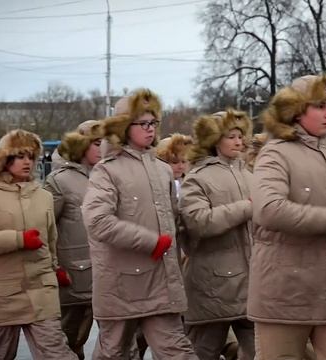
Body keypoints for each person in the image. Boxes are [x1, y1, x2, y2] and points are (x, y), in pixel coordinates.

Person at [250, 74, 326, 359]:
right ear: (296, 109)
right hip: (285, 290)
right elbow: (268, 209)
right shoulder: (275, 153)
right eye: (319, 105)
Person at [81, 88, 198, 360]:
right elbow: (97, 221)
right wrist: (150, 242)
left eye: (154, 123)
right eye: (142, 123)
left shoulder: (163, 169)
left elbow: (174, 220)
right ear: (124, 127)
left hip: (160, 282)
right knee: (113, 352)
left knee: (177, 350)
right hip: (120, 284)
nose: (150, 129)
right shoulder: (107, 170)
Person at [179, 109, 255, 359]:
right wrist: (246, 207)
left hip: (251, 284)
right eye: (230, 136)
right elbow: (199, 222)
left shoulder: (249, 174)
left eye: (240, 135)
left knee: (263, 352)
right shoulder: (197, 178)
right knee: (201, 353)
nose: (238, 141)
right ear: (214, 139)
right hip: (212, 287)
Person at [0, 129, 78, 360]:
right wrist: (19, 239)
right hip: (3, 293)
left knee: (57, 352)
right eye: (20, 155)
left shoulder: (43, 196)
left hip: (41, 289)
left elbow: (51, 239)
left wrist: (56, 268)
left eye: (31, 156)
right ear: (5, 158)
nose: (27, 162)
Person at [43, 120, 104, 359]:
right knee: (70, 341)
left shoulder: (110, 175)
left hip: (109, 275)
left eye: (106, 143)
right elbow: (46, 227)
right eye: (97, 143)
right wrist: (55, 266)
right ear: (81, 145)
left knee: (118, 341)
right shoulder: (60, 181)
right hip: (74, 275)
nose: (103, 148)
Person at [156, 133, 193, 199]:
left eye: (184, 162)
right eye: (175, 162)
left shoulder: (191, 184)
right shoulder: (156, 185)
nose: (181, 166)